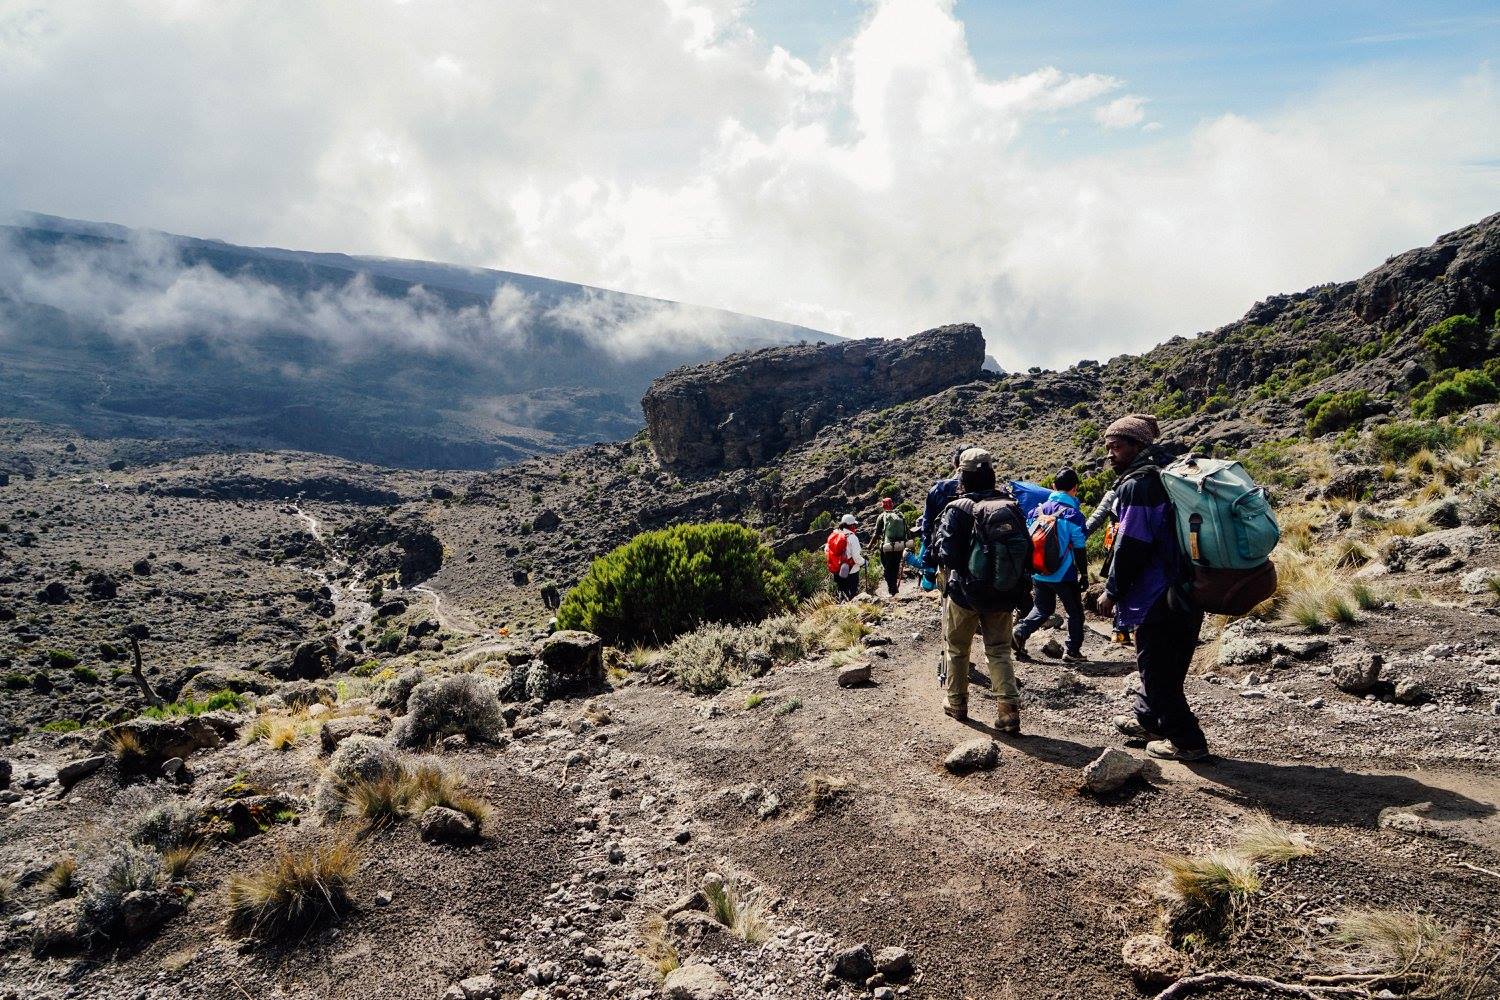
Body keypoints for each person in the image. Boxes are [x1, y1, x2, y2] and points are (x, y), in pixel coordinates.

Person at [1095, 414, 1210, 762]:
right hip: (1186, 588)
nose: (1110, 454)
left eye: (1116, 446)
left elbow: (1131, 544)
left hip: (1158, 595)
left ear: (1137, 445)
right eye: (1108, 447)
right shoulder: (1166, 478)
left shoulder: (1138, 486)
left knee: (1160, 671)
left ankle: (1187, 741)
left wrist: (1112, 591)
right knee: (1162, 666)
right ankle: (1149, 721)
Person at [934, 448, 1028, 735]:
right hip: (1003, 592)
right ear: (991, 474)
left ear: (963, 476)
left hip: (965, 593)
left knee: (957, 649)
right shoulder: (1009, 505)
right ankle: (1008, 711)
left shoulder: (957, 508)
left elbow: (947, 556)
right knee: (999, 651)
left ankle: (957, 703)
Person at [1011, 467, 1088, 662]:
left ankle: (1020, 631)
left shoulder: (1035, 511)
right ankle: (1072, 651)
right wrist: (1084, 575)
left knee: (1042, 608)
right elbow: (1079, 548)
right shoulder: (1073, 515)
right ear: (1075, 489)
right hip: (1064, 574)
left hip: (1038, 571)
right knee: (1075, 612)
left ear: (1053, 486)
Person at [921, 444, 977, 591]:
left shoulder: (938, 491)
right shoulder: (987, 490)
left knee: (951, 599)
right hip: (980, 558)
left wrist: (930, 559)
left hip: (946, 556)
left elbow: (927, 529)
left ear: (955, 463)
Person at [871, 497, 908, 596]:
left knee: (887, 568)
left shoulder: (882, 516)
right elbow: (906, 530)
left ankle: (892, 590)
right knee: (895, 567)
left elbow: (877, 534)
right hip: (899, 546)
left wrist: (870, 546)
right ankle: (894, 588)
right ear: (892, 505)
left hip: (886, 547)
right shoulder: (899, 515)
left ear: (883, 506)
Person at [825, 513, 866, 601]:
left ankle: (843, 610)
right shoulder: (852, 537)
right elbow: (856, 557)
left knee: (842, 593)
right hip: (851, 571)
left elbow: (827, 550)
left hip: (837, 571)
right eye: (854, 525)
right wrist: (864, 562)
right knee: (852, 595)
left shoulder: (834, 535)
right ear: (851, 525)